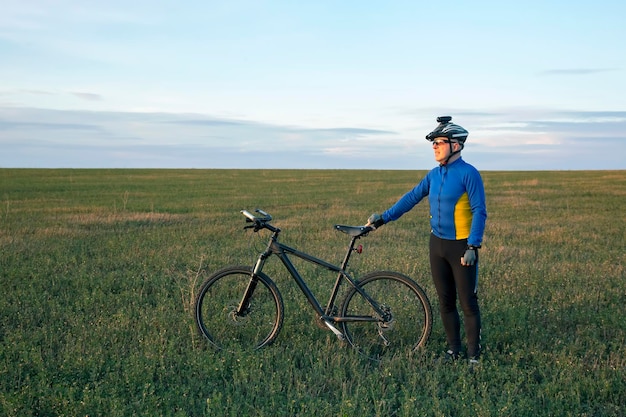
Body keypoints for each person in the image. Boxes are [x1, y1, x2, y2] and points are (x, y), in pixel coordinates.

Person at [366, 116, 487, 364]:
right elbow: (411, 198)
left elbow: (479, 210)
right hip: (437, 245)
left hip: (461, 247)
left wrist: (473, 245)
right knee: (445, 301)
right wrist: (383, 219)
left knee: (467, 303)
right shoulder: (433, 175)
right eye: (433, 143)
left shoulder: (469, 174)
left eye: (439, 142)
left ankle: (474, 356)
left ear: (456, 145)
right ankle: (454, 350)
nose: (434, 147)